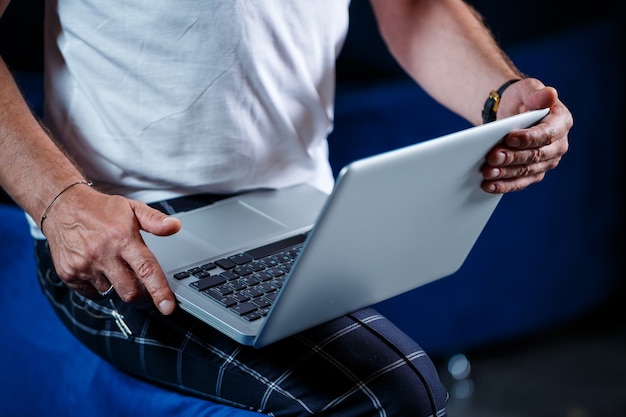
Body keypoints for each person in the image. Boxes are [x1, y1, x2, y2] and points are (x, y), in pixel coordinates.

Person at [0, 0, 572, 415]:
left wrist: (501, 96)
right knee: (389, 397)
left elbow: (415, 8)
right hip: (123, 226)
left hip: (297, 212)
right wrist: (61, 203)